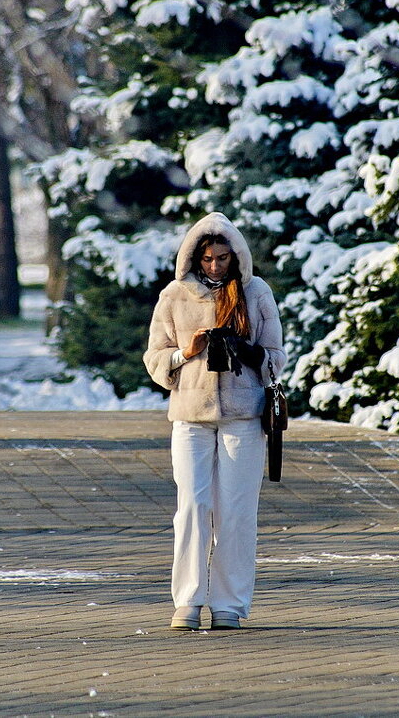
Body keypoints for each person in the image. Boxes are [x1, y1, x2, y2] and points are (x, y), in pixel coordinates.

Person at [143, 212, 286, 631]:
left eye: (223, 258)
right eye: (207, 258)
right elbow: (154, 359)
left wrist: (248, 353)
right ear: (194, 257)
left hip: (244, 415)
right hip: (190, 415)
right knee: (192, 506)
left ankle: (230, 603)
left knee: (237, 511)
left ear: (236, 257)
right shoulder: (174, 295)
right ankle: (187, 600)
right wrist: (185, 352)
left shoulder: (256, 292)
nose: (215, 266)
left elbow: (277, 357)